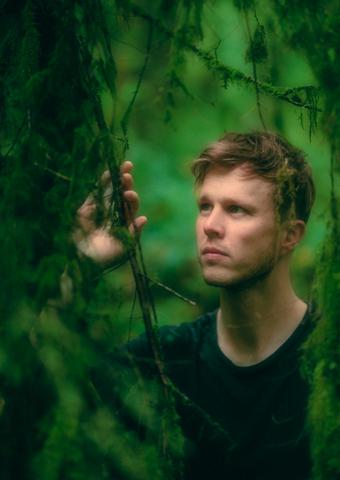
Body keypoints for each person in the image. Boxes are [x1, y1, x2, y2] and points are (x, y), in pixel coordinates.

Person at [78, 131, 317, 479]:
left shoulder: (338, 362)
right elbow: (27, 403)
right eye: (205, 206)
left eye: (236, 210)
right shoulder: (158, 363)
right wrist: (80, 266)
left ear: (290, 235)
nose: (210, 226)